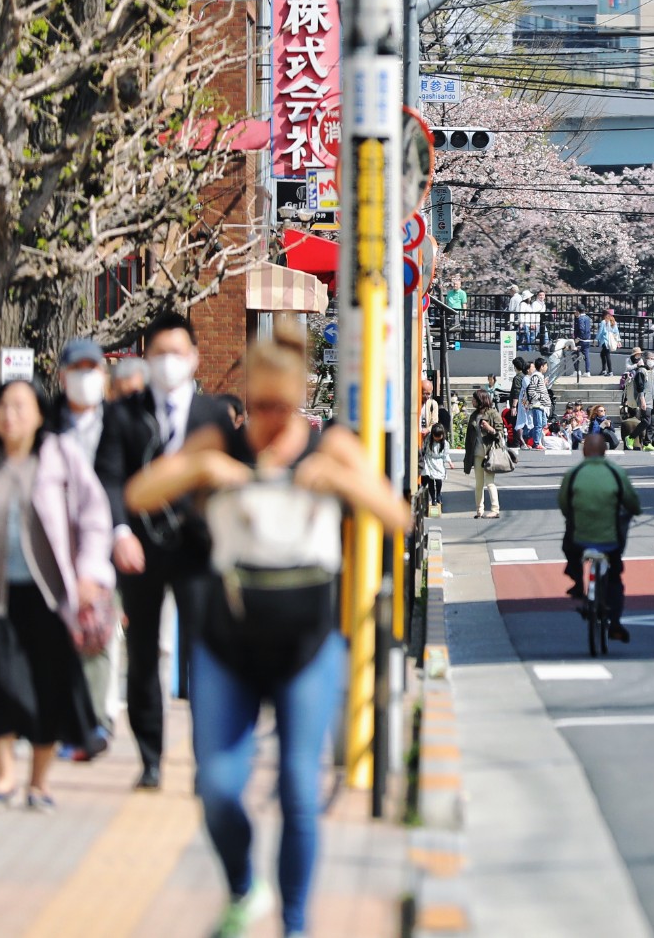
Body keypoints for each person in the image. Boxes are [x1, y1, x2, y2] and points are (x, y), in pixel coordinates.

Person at [125, 331, 409, 938]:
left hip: (307, 645)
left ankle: (296, 924)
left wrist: (342, 480)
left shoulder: (329, 443)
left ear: (302, 397)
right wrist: (200, 467)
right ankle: (241, 888)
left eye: (284, 407)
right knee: (218, 787)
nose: (272, 422)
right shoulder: (220, 440)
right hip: (229, 642)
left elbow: (396, 516)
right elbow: (139, 493)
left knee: (299, 790)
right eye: (261, 407)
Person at [93, 310, 234, 791]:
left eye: (178, 353)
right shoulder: (123, 413)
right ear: (145, 358)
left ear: (194, 358)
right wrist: (119, 532)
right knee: (145, 652)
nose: (169, 362)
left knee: (204, 656)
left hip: (198, 552)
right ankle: (150, 757)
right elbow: (109, 477)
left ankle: (204, 760)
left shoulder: (213, 415)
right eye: (160, 354)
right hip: (141, 548)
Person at [0, 377, 114, 810]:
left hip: (50, 596)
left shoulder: (59, 455)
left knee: (48, 685)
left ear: (40, 414)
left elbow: (94, 515)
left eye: (20, 406)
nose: (10, 415)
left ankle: (39, 781)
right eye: (2, 406)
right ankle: (5, 774)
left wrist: (89, 573)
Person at [52, 336, 124, 756]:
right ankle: (68, 721)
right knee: (59, 635)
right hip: (56, 544)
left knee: (98, 630)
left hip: (107, 541)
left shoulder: (119, 422)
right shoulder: (49, 424)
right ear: (62, 376)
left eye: (92, 369)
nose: (85, 378)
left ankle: (97, 720)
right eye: (77, 370)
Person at [558, 437, 644, 643]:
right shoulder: (616, 473)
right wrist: (633, 511)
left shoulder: (574, 473)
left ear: (584, 451)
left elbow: (563, 504)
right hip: (610, 539)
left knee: (569, 547)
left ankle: (579, 582)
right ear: (605, 451)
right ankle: (614, 623)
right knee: (615, 577)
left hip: (579, 538)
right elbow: (632, 502)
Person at [467, 389, 503, 519]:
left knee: (489, 482)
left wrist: (490, 429)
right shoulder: (474, 415)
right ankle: (479, 510)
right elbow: (469, 437)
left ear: (481, 400)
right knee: (478, 483)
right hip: (477, 454)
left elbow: (501, 434)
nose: (472, 401)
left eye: (474, 399)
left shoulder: (493, 414)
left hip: (489, 454)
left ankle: (495, 509)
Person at [522, 358, 552, 449]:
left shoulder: (540, 377)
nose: (547, 367)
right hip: (537, 405)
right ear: (542, 366)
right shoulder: (536, 376)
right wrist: (540, 398)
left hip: (541, 405)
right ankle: (536, 443)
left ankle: (527, 434)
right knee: (538, 424)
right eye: (546, 365)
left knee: (542, 424)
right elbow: (531, 390)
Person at [596, 309, 622, 376]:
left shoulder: (604, 322)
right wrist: (618, 341)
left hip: (605, 341)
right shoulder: (613, 322)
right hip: (610, 341)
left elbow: (600, 332)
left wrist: (596, 339)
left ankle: (610, 371)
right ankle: (604, 370)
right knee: (603, 354)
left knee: (607, 355)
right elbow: (617, 332)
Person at [571, 307, 594, 383]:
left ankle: (577, 371)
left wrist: (578, 338)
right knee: (586, 356)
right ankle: (588, 371)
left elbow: (581, 329)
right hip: (587, 339)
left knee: (574, 354)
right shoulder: (587, 318)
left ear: (578, 311)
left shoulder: (581, 318)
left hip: (580, 340)